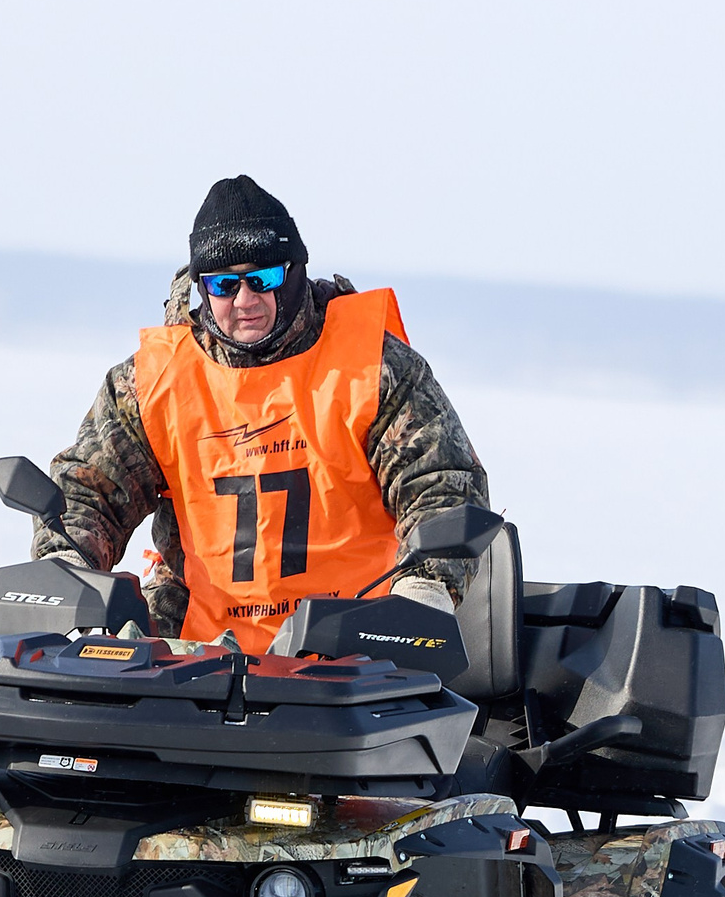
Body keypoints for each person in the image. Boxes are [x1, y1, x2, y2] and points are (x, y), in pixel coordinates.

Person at [35, 174, 493, 652]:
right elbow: (90, 491)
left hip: (357, 647)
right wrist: (68, 565)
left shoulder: (371, 367)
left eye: (262, 279)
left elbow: (441, 483)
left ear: (293, 274)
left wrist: (424, 588)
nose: (244, 300)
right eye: (223, 284)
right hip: (192, 650)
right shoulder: (152, 384)